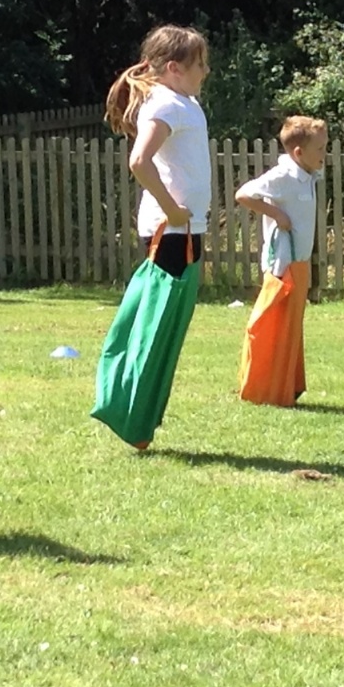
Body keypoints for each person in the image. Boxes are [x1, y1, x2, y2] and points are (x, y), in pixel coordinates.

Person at [92, 25, 212, 448]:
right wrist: (173, 210)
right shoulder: (165, 104)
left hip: (187, 230)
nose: (206, 71)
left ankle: (141, 422)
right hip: (170, 232)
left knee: (168, 334)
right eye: (200, 64)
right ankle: (130, 419)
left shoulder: (185, 103)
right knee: (154, 331)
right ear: (175, 68)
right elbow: (139, 161)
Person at [235, 115, 328, 406]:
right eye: (320, 149)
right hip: (283, 266)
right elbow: (244, 194)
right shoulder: (283, 176)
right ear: (298, 152)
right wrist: (276, 214)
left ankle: (285, 388)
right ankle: (260, 388)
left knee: (291, 329)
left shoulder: (309, 174)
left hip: (301, 264)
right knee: (271, 325)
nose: (324, 154)